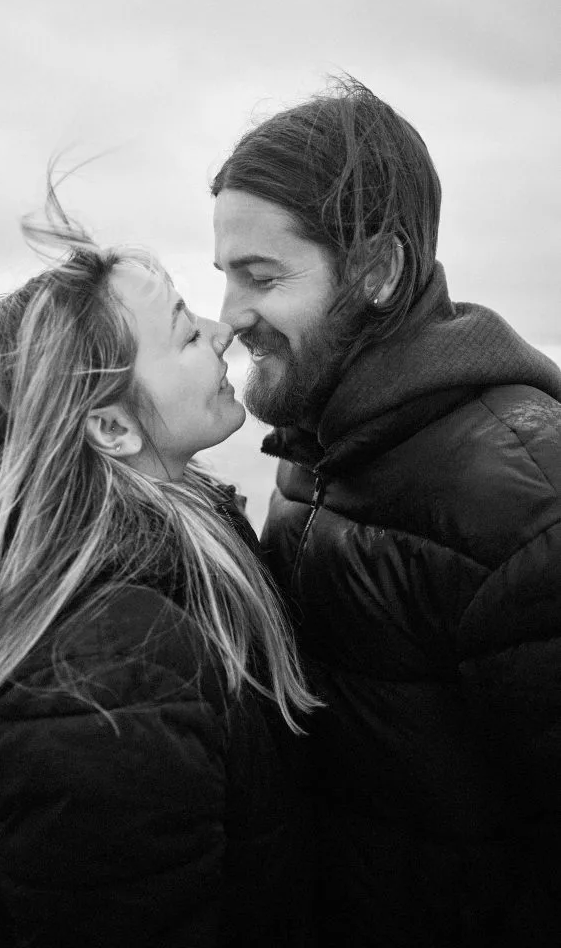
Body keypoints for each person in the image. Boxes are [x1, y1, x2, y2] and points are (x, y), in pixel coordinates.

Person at [0, 185, 320, 948]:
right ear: (113, 428)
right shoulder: (106, 670)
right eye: (186, 336)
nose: (223, 333)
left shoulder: (182, 540)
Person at [211, 76, 561, 947]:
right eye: (225, 276)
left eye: (260, 277)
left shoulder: (525, 499)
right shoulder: (318, 445)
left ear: (377, 270)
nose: (227, 318)